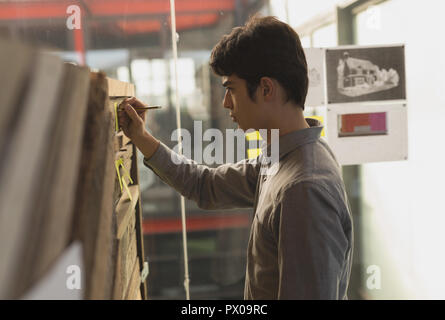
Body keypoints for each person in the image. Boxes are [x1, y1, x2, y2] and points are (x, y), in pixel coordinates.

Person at [118, 15, 353, 300]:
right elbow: (205, 184)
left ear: (266, 89)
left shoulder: (304, 188)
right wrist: (142, 138)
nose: (225, 103)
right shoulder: (282, 158)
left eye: (231, 89)